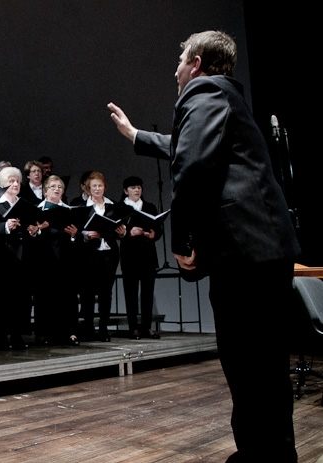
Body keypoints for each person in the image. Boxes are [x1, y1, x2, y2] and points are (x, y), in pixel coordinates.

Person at [107, 30, 300, 462]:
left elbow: (192, 166)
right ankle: (272, 455)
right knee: (264, 366)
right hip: (263, 247)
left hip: (243, 251)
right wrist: (136, 135)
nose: (175, 71)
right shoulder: (224, 94)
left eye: (180, 61)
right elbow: (188, 147)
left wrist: (182, 240)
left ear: (195, 63)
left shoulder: (203, 91)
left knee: (248, 364)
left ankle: (260, 456)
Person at [0, 166, 35, 350]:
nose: (15, 184)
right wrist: (6, 226)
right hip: (3, 257)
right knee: (3, 298)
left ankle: (17, 335)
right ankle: (1, 336)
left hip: (23, 256)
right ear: (2, 185)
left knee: (21, 298)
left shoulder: (24, 204)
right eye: (11, 181)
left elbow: (30, 226)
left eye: (17, 181)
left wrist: (33, 230)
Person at [77, 171, 126, 342]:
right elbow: (78, 229)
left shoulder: (113, 206)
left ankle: (103, 329)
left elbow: (119, 228)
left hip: (109, 254)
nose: (97, 189)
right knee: (87, 292)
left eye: (100, 186)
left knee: (106, 292)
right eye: (94, 186)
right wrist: (86, 234)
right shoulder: (82, 207)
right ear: (88, 188)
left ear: (105, 187)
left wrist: (122, 232)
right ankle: (88, 329)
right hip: (89, 253)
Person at [33, 175, 81, 346]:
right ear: (45, 190)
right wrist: (39, 229)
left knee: (68, 296)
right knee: (47, 296)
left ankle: (71, 333)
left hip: (66, 259)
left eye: (60, 187)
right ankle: (47, 333)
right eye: (53, 186)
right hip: (45, 259)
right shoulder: (37, 210)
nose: (57, 189)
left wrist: (74, 235)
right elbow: (32, 238)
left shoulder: (69, 210)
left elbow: (76, 237)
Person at [112, 176, 161, 340]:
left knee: (148, 292)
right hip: (130, 255)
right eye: (133, 188)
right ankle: (133, 327)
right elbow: (114, 231)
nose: (137, 190)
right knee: (131, 293)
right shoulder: (120, 208)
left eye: (139, 187)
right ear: (126, 191)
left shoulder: (149, 206)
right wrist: (128, 233)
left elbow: (158, 228)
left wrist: (154, 234)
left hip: (148, 254)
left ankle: (147, 327)